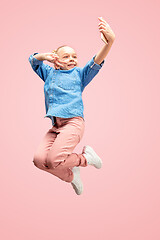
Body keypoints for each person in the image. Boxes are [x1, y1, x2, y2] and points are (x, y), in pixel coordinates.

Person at [28, 16, 115, 195]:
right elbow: (33, 61)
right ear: (55, 59)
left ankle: (85, 158)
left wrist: (109, 43)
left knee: (52, 161)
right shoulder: (49, 73)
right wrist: (43, 56)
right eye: (66, 56)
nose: (72, 59)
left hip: (73, 123)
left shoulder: (80, 75)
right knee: (38, 160)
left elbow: (97, 61)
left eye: (74, 56)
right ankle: (72, 175)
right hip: (56, 125)